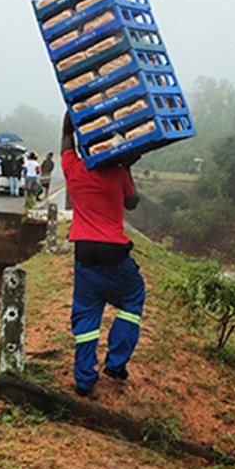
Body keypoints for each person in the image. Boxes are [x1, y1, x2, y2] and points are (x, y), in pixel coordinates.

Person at [60, 112, 143, 396]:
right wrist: (126, 165)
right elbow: (132, 202)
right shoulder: (118, 173)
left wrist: (71, 116)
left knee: (86, 315)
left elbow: (66, 140)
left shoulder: (73, 168)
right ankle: (116, 363)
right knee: (132, 299)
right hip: (113, 252)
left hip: (84, 252)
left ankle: (84, 379)